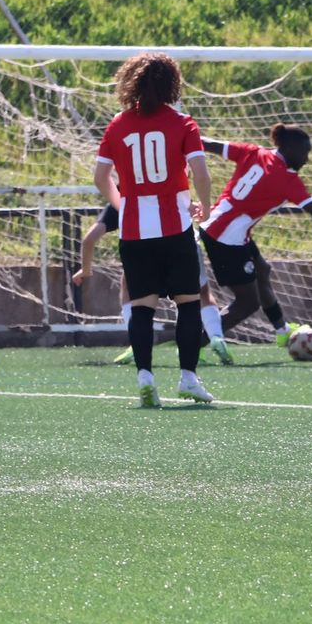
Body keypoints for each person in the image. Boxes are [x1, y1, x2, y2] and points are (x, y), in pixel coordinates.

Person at [93, 52, 215, 407]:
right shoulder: (183, 123)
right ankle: (188, 378)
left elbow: (101, 177)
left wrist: (122, 205)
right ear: (172, 84)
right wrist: (203, 207)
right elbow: (202, 174)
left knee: (142, 306)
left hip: (134, 231)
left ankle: (145, 377)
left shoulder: (117, 125)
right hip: (175, 226)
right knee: (188, 303)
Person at [199, 123, 312, 347]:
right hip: (226, 238)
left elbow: (209, 144)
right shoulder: (287, 179)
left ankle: (282, 330)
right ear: (291, 148)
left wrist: (178, 139)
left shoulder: (254, 152)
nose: (306, 159)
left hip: (221, 227)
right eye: (305, 152)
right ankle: (195, 342)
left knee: (263, 270)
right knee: (248, 303)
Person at [72, 203, 232, 366]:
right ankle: (214, 338)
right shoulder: (171, 182)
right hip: (182, 244)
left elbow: (89, 239)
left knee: (131, 290)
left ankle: (137, 345)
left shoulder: (124, 197)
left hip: (143, 248)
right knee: (197, 294)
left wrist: (85, 269)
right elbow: (193, 204)